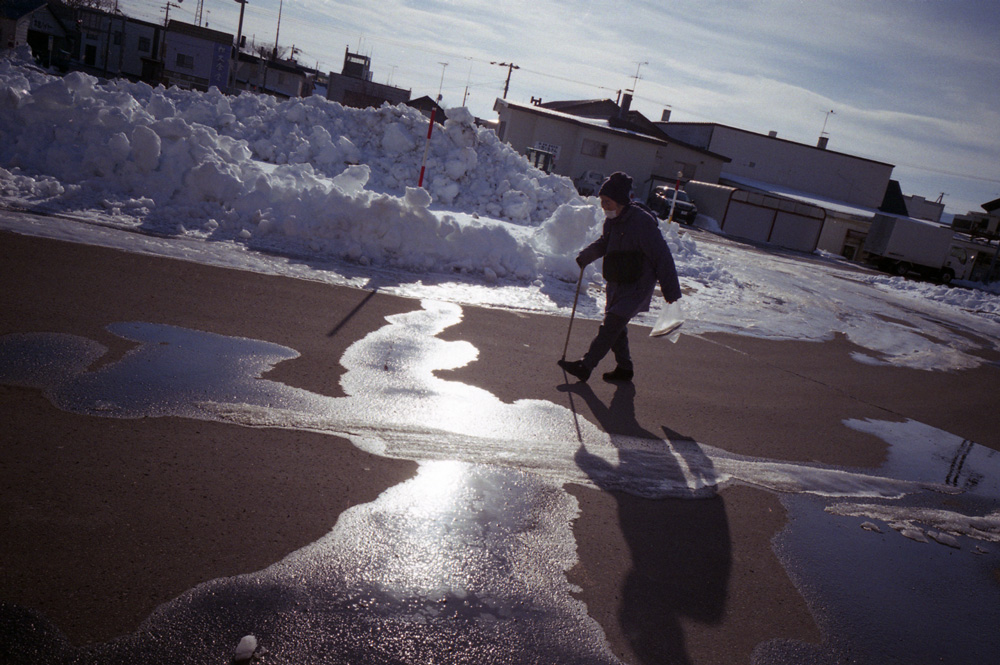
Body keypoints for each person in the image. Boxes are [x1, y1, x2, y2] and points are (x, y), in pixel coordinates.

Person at [558, 171, 682, 383]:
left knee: (611, 326)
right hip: (617, 281)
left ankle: (585, 366)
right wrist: (587, 254)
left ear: (621, 201)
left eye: (608, 202)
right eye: (602, 202)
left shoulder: (642, 223)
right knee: (616, 327)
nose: (604, 206)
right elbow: (606, 242)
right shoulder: (612, 221)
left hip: (638, 285)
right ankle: (625, 369)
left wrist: (671, 291)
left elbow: (662, 256)